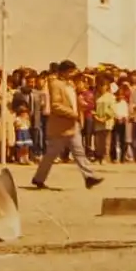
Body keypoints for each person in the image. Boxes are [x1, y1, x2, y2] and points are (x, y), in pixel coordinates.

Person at [31, 60, 104, 190]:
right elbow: (56, 105)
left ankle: (89, 177)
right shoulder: (55, 84)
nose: (73, 74)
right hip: (60, 126)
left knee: (79, 152)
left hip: (72, 125)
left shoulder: (70, 84)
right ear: (65, 71)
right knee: (51, 155)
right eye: (71, 71)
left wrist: (80, 106)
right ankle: (38, 178)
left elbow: (72, 100)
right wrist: (73, 114)